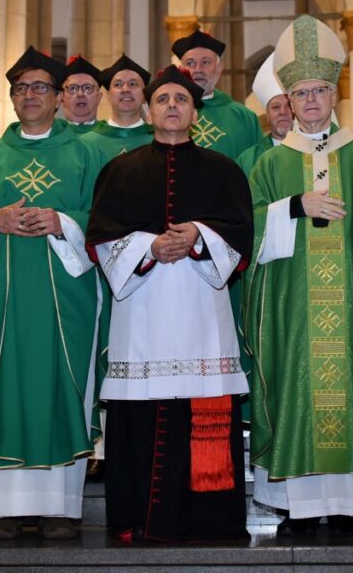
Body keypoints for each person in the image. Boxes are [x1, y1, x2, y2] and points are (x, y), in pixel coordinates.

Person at [245, 15, 353, 536]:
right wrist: (294, 205)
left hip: (352, 304)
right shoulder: (271, 164)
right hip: (294, 309)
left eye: (319, 90)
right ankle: (303, 506)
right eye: (300, 93)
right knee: (298, 389)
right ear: (286, 103)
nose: (311, 101)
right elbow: (245, 230)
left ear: (334, 96)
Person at [87, 65, 253, 542]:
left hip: (202, 312)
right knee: (140, 416)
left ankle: (209, 522)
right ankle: (134, 519)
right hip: (143, 314)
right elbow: (100, 236)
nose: (173, 106)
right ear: (146, 110)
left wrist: (200, 235)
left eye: (182, 99)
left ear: (195, 112)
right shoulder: (119, 171)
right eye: (163, 100)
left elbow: (242, 233)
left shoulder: (225, 171)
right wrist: (148, 247)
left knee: (202, 415)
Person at [0, 46, 107, 540]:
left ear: (60, 97)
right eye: (21, 89)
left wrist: (62, 221)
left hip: (64, 299)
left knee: (59, 385)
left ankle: (60, 507)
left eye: (40, 87)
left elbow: (106, 220)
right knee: (2, 387)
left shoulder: (86, 151)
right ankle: (0, 509)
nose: (30, 96)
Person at [173, 29, 263, 160]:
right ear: (181, 69)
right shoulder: (168, 114)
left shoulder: (244, 118)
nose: (198, 69)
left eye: (205, 62)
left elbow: (256, 169)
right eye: (190, 63)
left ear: (219, 68)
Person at [85, 54, 154, 160]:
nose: (125, 89)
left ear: (145, 97)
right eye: (118, 84)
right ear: (108, 96)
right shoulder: (87, 143)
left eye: (133, 84)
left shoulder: (157, 141)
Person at [236, 53, 293, 175]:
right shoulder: (248, 159)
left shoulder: (311, 150)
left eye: (288, 105)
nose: (283, 112)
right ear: (267, 115)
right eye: (275, 107)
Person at [60, 54, 104, 134]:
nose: (80, 94)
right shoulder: (52, 135)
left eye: (87, 88)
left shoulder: (110, 135)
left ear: (99, 97)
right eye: (72, 88)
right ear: (62, 97)